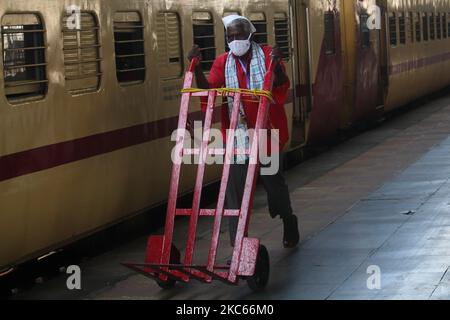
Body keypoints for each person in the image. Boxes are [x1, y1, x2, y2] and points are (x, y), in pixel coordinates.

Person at [187, 15, 300, 249]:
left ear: (251, 35)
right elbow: (209, 89)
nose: (235, 40)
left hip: (268, 132)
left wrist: (278, 66)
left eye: (239, 35)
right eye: (230, 36)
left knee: (273, 185)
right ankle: (238, 246)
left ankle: (288, 219)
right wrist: (197, 68)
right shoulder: (223, 62)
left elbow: (280, 85)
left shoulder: (269, 55)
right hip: (238, 134)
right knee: (234, 191)